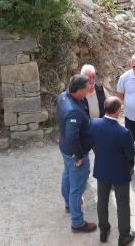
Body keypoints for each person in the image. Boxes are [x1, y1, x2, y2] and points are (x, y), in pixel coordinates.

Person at [90, 96, 135, 245]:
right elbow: (130, 155)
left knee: (102, 200)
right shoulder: (123, 132)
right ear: (118, 110)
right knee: (122, 203)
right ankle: (124, 236)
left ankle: (103, 230)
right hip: (119, 173)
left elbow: (93, 144)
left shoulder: (94, 123)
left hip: (102, 169)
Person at [57, 74, 96, 233]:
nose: (91, 87)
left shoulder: (62, 96)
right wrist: (79, 156)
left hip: (65, 149)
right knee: (77, 188)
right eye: (88, 86)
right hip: (75, 154)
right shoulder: (74, 111)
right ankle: (77, 223)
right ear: (79, 90)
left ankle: (68, 204)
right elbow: (73, 136)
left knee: (67, 175)